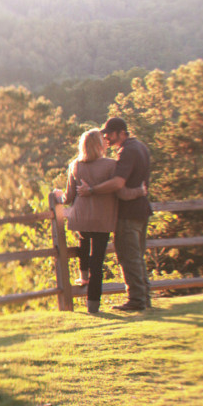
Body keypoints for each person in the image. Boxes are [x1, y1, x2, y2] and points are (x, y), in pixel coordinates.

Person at [53, 129, 145, 313]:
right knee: (98, 262)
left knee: (83, 241)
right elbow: (120, 190)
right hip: (102, 219)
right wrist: (139, 191)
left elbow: (68, 198)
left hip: (81, 218)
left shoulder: (75, 165)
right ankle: (92, 305)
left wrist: (57, 195)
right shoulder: (111, 166)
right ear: (99, 145)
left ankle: (83, 275)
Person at [78, 117, 153, 311]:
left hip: (128, 212)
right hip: (142, 209)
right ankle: (144, 297)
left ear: (121, 132)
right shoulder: (141, 147)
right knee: (137, 256)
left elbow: (118, 183)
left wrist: (92, 190)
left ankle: (136, 300)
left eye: (109, 133)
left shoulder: (127, 151)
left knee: (128, 257)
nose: (106, 137)